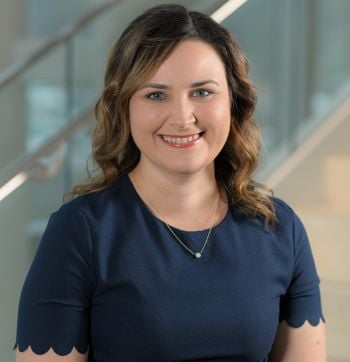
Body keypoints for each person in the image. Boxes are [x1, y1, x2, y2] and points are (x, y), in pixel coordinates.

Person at [14, 4, 326, 361]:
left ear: (234, 102)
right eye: (156, 95)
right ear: (124, 107)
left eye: (202, 92)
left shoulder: (280, 229)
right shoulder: (79, 233)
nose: (182, 117)